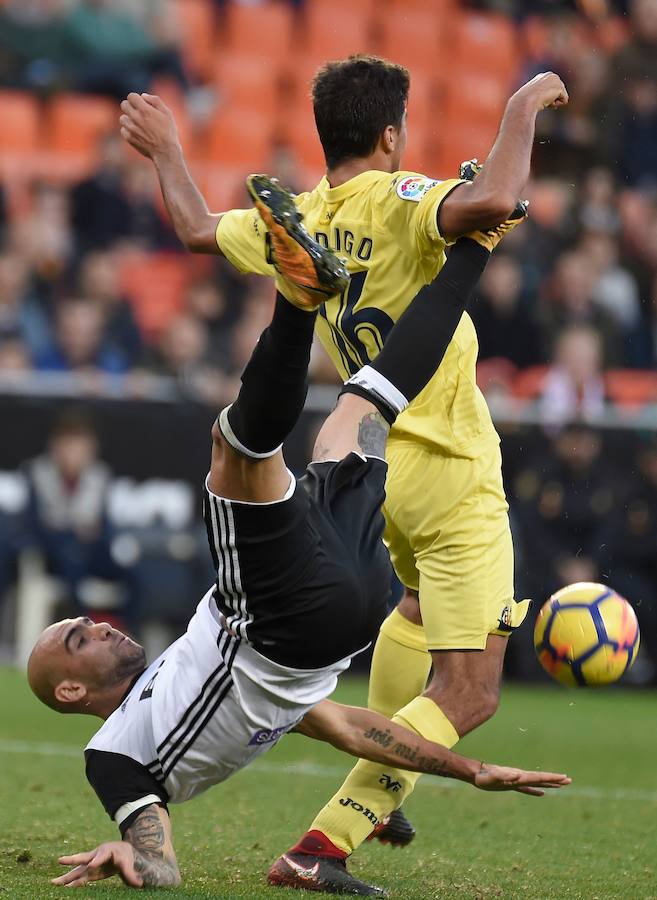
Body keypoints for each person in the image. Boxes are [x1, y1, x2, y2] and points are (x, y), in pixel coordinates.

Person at [28, 184, 569, 893]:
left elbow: (355, 729)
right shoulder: (113, 754)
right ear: (71, 691)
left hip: (339, 617)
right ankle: (296, 295)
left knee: (369, 403)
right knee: (231, 448)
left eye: (83, 623)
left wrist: (467, 769)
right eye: (80, 638)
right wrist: (141, 859)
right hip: (274, 619)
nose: (98, 626)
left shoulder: (186, 688)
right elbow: (156, 852)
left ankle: (475, 247)